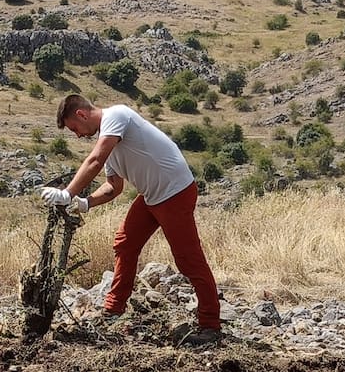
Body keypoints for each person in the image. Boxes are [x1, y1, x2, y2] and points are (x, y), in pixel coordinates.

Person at [44, 94, 221, 346]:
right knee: (125, 244)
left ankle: (210, 325)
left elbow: (95, 160)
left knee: (188, 259)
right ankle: (113, 309)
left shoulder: (116, 115)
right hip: (152, 195)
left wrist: (67, 193)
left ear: (82, 115)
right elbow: (113, 187)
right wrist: (85, 203)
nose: (77, 135)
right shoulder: (111, 143)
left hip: (175, 192)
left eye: (74, 128)